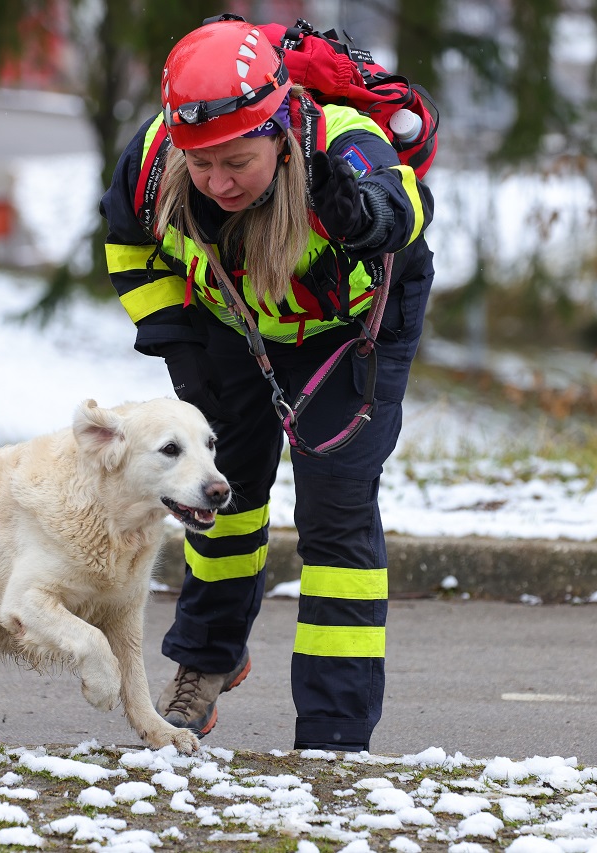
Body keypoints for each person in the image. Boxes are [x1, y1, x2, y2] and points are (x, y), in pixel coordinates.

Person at [98, 16, 435, 753]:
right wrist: (177, 345)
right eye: (202, 164)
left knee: (336, 519)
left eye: (237, 163)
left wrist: (363, 216)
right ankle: (207, 664)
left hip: (351, 331)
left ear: (280, 133)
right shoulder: (159, 155)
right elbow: (126, 241)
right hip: (232, 320)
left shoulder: (341, 144)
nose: (216, 182)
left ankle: (333, 731)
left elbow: (408, 208)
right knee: (217, 494)